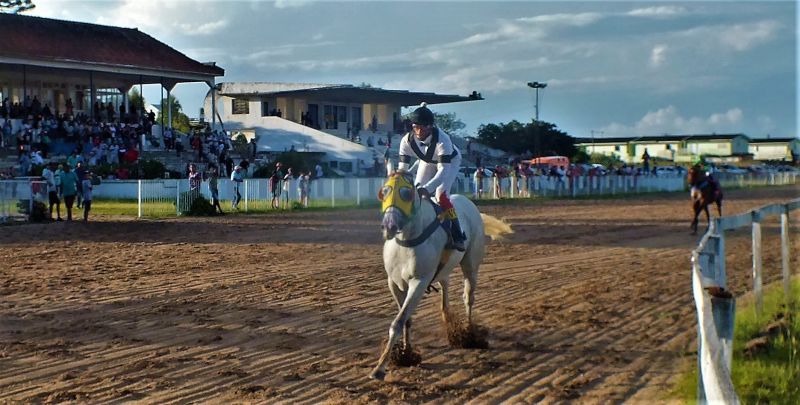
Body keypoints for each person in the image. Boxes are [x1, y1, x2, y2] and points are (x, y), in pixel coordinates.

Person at [397, 102, 466, 251]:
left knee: (441, 195)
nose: (419, 131)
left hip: (450, 162)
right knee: (416, 192)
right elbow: (402, 170)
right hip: (427, 160)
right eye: (416, 127)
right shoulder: (406, 141)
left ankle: (457, 234)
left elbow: (443, 171)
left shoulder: (443, 140)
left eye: (423, 128)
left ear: (431, 127)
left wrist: (427, 188)